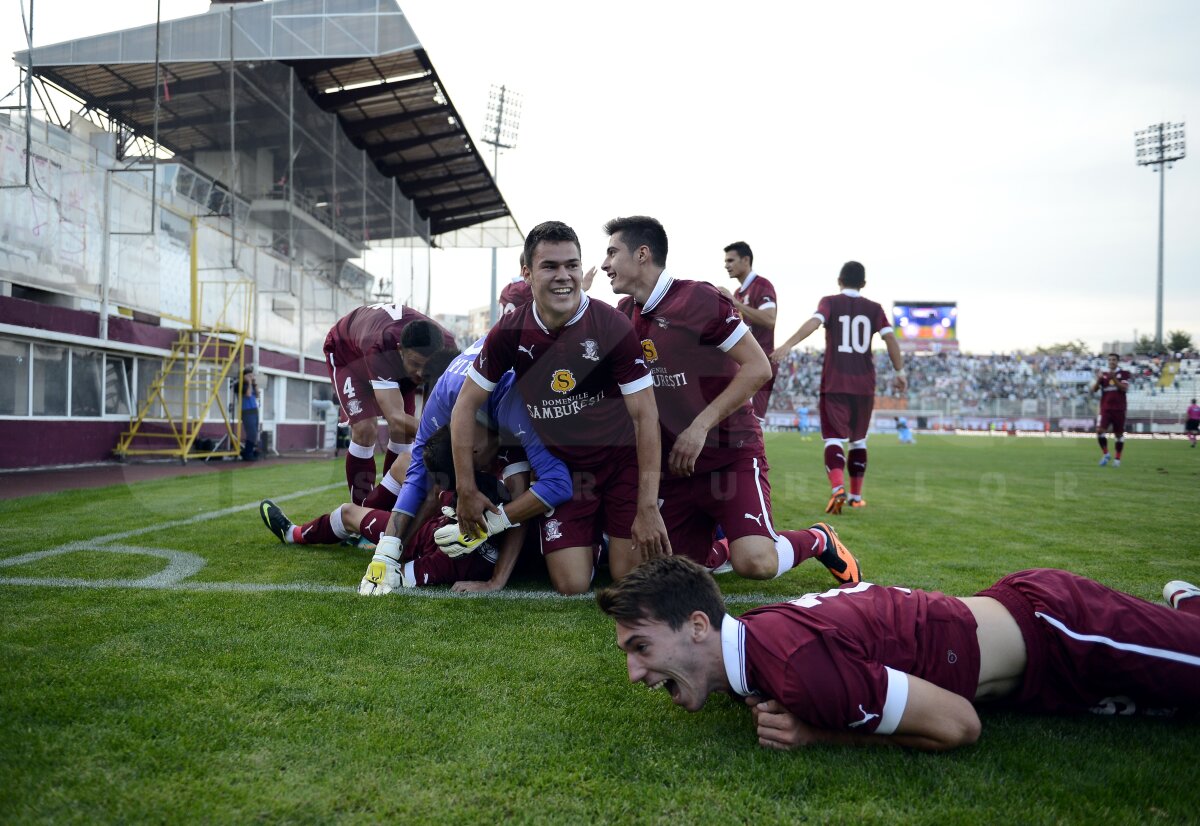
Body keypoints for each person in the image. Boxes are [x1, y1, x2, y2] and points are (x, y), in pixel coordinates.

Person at [597, 555, 1200, 753]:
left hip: (1063, 629)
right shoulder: (750, 644)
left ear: (699, 625)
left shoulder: (796, 668)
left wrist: (819, 734)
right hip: (1036, 662)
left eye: (642, 647)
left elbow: (959, 726)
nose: (633, 672)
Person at [604, 215, 860, 584]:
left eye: (613, 252)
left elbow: (758, 367)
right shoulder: (624, 314)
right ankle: (720, 545)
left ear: (642, 254)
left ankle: (818, 538)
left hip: (730, 454)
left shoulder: (699, 298)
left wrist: (700, 426)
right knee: (652, 575)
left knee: (757, 563)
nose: (606, 263)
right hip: (676, 468)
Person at [450, 220, 671, 595]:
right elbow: (464, 406)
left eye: (571, 265)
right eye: (550, 266)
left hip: (621, 465)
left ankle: (693, 547)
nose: (564, 276)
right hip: (568, 473)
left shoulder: (611, 325)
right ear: (527, 273)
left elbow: (645, 415)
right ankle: (598, 540)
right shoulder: (509, 331)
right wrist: (465, 489)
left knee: (628, 578)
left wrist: (647, 505)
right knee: (570, 585)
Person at [263, 423, 534, 592]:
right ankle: (295, 533)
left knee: (351, 513)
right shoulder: (480, 482)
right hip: (433, 528)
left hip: (441, 539)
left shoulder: (461, 562)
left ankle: (298, 534)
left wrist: (389, 562)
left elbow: (403, 576)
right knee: (366, 496)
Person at [771, 262, 906, 514]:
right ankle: (856, 496)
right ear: (863, 284)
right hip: (865, 383)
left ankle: (837, 489)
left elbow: (814, 322)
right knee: (859, 441)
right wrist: (900, 372)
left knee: (834, 438)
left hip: (835, 382)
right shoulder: (874, 308)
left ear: (839, 281)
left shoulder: (830, 302)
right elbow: (890, 338)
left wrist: (788, 344)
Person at [324, 303, 457, 504]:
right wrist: (453, 436)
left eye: (427, 366)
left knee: (404, 435)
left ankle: (388, 506)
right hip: (349, 356)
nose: (421, 373)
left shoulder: (448, 349)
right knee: (365, 428)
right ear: (400, 350)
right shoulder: (380, 346)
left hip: (395, 365)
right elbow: (395, 418)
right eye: (415, 364)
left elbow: (435, 412)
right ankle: (361, 510)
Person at [721, 242, 777, 422]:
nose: (726, 265)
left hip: (760, 363)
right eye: (725, 261)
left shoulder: (761, 285)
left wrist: (736, 304)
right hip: (743, 363)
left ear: (746, 260)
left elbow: (770, 319)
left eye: (731, 260)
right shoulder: (738, 292)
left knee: (752, 423)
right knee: (739, 424)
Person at [1090, 353, 1130, 467]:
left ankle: (1117, 459)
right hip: (1105, 409)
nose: (1111, 362)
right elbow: (1094, 390)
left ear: (1117, 361)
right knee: (1099, 431)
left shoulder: (1124, 373)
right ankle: (1106, 454)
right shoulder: (1104, 375)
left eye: (1114, 360)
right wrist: (1098, 380)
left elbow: (1124, 388)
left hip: (1119, 409)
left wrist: (1114, 379)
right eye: (1110, 360)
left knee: (1118, 435)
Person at [239, 366, 260, 461]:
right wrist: (248, 382)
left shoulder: (251, 384)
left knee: (254, 433)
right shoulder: (241, 385)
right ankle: (247, 453)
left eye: (251, 375)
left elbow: (257, 394)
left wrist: (254, 382)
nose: (251, 376)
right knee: (251, 433)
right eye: (249, 375)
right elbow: (248, 394)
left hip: (254, 410)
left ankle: (249, 451)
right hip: (246, 411)